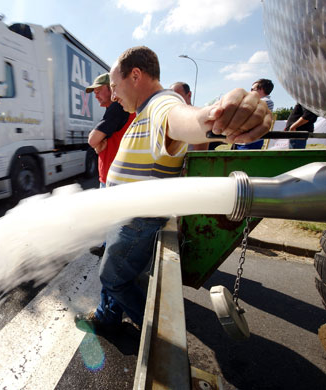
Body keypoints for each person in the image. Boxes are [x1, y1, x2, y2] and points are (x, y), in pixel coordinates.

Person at [75, 46, 272, 334]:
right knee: (118, 270)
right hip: (127, 216)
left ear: (136, 75)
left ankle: (158, 336)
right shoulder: (143, 110)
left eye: (115, 86)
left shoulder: (161, 103)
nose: (114, 94)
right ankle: (107, 317)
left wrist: (214, 118)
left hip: (136, 221)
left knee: (114, 277)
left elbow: (182, 119)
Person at [85, 73, 135, 257]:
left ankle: (113, 252)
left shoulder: (117, 109)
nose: (95, 95)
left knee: (114, 216)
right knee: (110, 215)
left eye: (98, 90)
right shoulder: (115, 110)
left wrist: (98, 143)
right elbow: (98, 145)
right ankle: (108, 245)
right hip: (111, 172)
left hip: (114, 175)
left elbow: (92, 140)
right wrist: (99, 144)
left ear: (111, 89)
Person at [234, 78, 275, 150]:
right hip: (244, 140)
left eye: (252, 89)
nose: (250, 92)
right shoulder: (261, 101)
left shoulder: (266, 101)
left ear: (261, 89)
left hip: (250, 141)